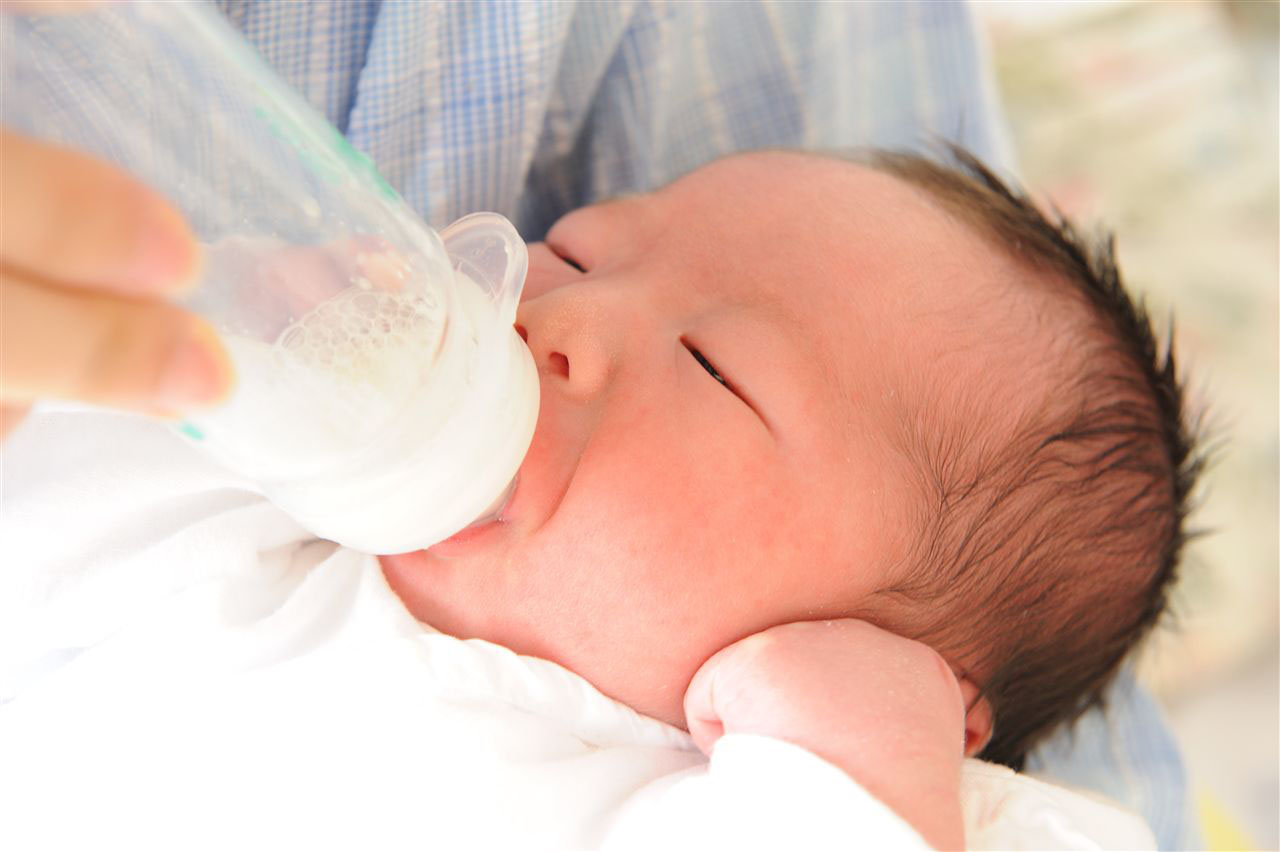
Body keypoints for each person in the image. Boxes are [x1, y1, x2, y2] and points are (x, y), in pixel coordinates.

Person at [0, 1, 1198, 847]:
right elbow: (58, 484)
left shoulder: (740, 802)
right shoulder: (253, 558)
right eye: (576, 245)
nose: (559, 316)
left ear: (920, 688)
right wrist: (263, 318)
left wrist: (857, 766)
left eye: (713, 369)